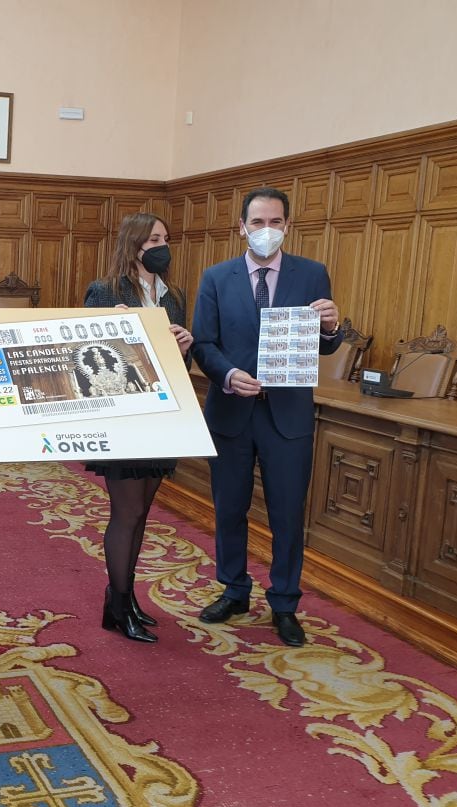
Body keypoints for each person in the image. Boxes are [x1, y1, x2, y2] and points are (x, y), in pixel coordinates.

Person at [191, 187, 341, 647]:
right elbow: (203, 342)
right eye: (258, 223)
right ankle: (234, 590)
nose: (266, 230)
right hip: (231, 411)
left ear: (287, 227)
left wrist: (333, 326)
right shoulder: (217, 277)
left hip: (288, 416)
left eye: (275, 222)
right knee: (230, 508)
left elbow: (323, 343)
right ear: (242, 227)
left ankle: (284, 603)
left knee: (287, 513)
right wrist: (228, 374)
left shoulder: (312, 274)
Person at [83, 213, 193, 643]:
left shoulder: (174, 294)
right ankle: (118, 601)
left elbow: (176, 363)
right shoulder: (105, 291)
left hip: (162, 415)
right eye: (153, 239)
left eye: (166, 237)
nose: (162, 245)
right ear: (133, 245)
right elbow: (88, 354)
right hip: (123, 416)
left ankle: (123, 600)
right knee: (126, 512)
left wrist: (185, 344)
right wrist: (116, 329)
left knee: (143, 511)